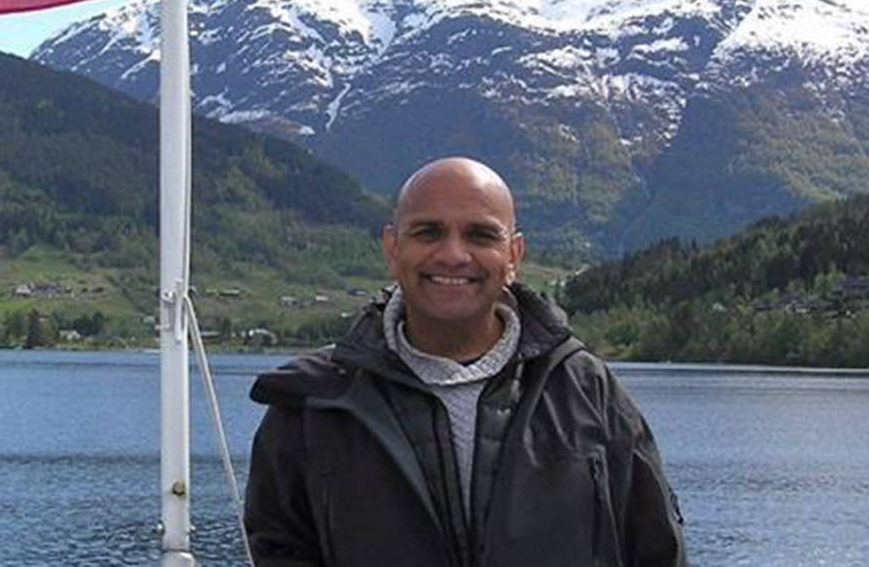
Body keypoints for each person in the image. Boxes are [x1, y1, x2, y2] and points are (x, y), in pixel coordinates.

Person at [244, 157, 687, 567]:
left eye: (480, 234)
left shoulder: (588, 391)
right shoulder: (314, 405)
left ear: (513, 255)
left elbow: (656, 552)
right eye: (428, 232)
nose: (454, 255)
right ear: (392, 247)